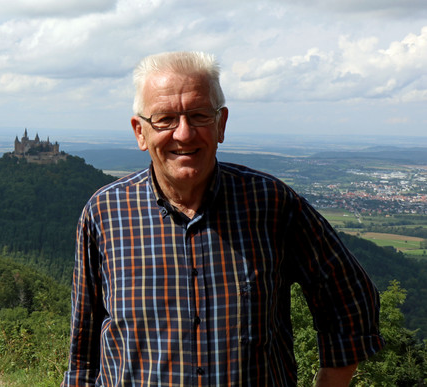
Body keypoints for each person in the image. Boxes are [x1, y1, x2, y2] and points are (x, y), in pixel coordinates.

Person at [62, 51, 384, 386]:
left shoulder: (272, 204)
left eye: (199, 115)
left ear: (221, 124)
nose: (184, 134)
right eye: (165, 119)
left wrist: (333, 377)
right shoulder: (104, 213)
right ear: (140, 132)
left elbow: (349, 296)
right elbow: (83, 353)